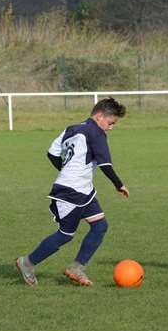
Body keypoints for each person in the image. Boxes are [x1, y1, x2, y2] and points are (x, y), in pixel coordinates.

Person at [15, 98, 129, 287]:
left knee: (100, 226)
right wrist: (119, 184)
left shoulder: (71, 129)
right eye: (110, 123)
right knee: (65, 235)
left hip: (83, 190)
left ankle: (77, 268)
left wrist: (65, 169)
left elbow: (52, 153)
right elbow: (105, 164)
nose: (111, 128)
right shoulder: (96, 133)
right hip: (71, 191)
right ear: (99, 116)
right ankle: (27, 262)